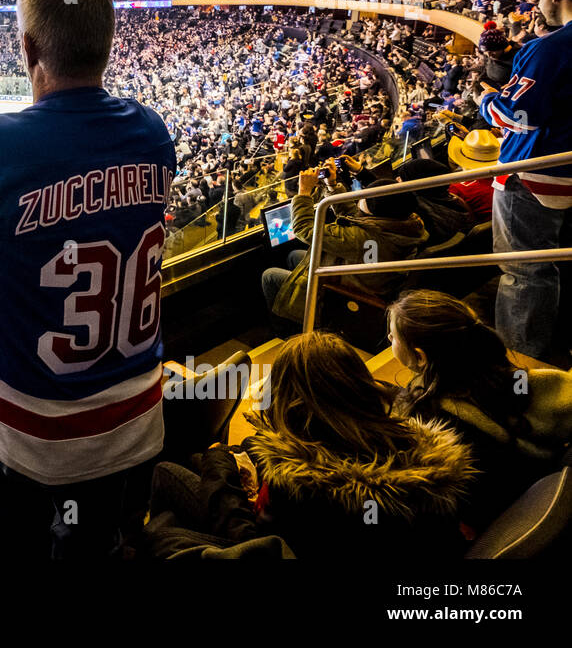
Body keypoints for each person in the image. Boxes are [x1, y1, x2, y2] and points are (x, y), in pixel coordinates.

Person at [0, 0, 176, 558]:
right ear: (108, 43)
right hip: (130, 422)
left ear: (28, 45)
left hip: (23, 435)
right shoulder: (152, 131)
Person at [146, 332, 475, 558]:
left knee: (166, 479)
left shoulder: (303, 487)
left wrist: (220, 459)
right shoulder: (405, 440)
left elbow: (251, 541)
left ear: (290, 401)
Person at [388, 290, 572, 530]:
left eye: (393, 337)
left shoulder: (426, 419)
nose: (389, 337)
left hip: (501, 519)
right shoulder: (522, 381)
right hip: (547, 490)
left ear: (420, 357)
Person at [477, 0, 572, 364]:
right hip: (564, 174)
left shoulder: (549, 47)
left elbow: (519, 116)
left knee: (524, 271)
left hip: (533, 174)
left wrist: (485, 101)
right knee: (548, 264)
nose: (538, 2)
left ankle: (521, 366)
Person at [261, 159, 428, 327]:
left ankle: (285, 329)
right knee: (294, 256)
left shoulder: (362, 238)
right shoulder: (401, 224)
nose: (359, 197)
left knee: (269, 276)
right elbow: (356, 216)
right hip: (364, 278)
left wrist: (304, 192)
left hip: (341, 296)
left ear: (374, 211)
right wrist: (332, 185)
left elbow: (304, 229)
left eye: (364, 197)